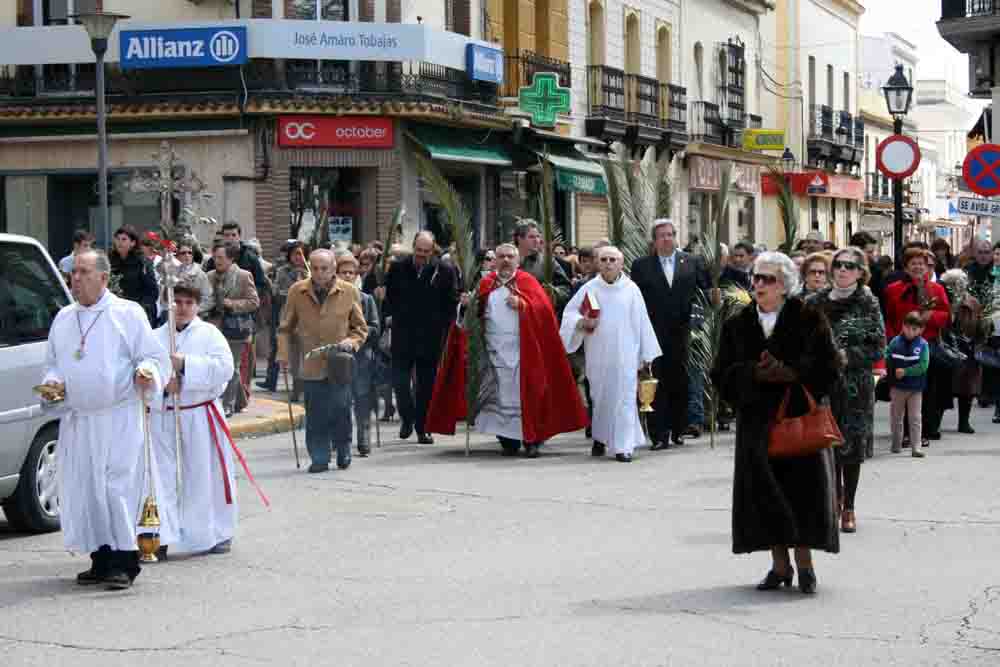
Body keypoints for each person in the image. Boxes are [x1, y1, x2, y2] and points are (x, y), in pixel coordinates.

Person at [712, 251, 841, 595]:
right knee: (765, 494)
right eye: (755, 277)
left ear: (784, 285)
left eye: (766, 279)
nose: (758, 284)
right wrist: (751, 373)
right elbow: (720, 374)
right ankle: (779, 566)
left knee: (803, 493)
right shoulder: (737, 324)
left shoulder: (810, 319)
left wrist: (792, 373)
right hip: (757, 422)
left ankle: (806, 565)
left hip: (799, 420)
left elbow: (830, 367)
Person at [41, 250, 170, 590]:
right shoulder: (64, 318)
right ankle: (100, 558)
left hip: (118, 417)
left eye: (84, 272)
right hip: (80, 419)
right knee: (87, 488)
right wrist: (54, 382)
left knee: (116, 487)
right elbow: (54, 362)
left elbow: (151, 357)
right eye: (73, 272)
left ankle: (125, 560)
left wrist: (147, 373)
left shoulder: (126, 314)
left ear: (103, 276)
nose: (76, 278)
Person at [426, 244, 588, 457]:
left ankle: (532, 440)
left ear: (517, 260)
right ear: (495, 260)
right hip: (493, 351)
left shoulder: (527, 282)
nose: (505, 260)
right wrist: (467, 305)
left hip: (524, 351)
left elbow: (544, 311)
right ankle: (508, 439)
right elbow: (470, 320)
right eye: (501, 256)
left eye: (510, 256)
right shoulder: (486, 283)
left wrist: (523, 304)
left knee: (528, 395)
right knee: (500, 398)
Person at [149, 285, 239, 558]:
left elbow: (225, 368)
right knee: (161, 476)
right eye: (177, 302)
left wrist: (186, 366)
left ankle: (210, 533)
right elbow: (143, 370)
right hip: (164, 415)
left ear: (198, 306)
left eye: (189, 302)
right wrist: (163, 386)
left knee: (203, 475)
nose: (183, 307)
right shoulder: (154, 337)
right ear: (168, 305)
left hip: (199, 414)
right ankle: (159, 536)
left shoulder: (210, 335)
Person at [807, 247, 884, 534]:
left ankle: (848, 505)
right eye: (838, 264)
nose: (841, 270)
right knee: (825, 446)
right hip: (823, 385)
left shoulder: (868, 302)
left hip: (855, 386)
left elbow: (878, 345)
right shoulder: (815, 301)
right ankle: (832, 500)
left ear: (861, 272)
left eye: (849, 266)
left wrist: (847, 356)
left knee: (851, 447)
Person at [560, 247, 661, 462]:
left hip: (626, 354)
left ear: (621, 264)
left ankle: (623, 447)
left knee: (624, 399)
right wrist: (582, 322)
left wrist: (646, 354)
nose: (608, 263)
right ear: (597, 263)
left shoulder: (631, 289)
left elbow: (642, 321)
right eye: (603, 259)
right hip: (598, 354)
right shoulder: (589, 288)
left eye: (612, 259)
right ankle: (600, 438)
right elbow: (569, 314)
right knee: (601, 398)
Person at [278, 249, 368, 473]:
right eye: (315, 268)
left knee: (341, 407)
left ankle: (343, 447)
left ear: (333, 268)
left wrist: (352, 341)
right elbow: (284, 328)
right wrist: (283, 355)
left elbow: (360, 328)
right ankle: (319, 456)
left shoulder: (348, 291)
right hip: (311, 362)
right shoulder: (297, 291)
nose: (319, 273)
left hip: (340, 362)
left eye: (324, 268)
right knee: (316, 411)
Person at [630, 219, 710, 449]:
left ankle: (678, 429)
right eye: (662, 235)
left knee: (680, 382)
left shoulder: (692, 261)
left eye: (670, 234)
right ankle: (658, 434)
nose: (667, 239)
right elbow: (636, 299)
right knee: (657, 382)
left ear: (676, 237)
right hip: (653, 332)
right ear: (654, 241)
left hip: (684, 332)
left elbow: (703, 293)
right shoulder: (641, 265)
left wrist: (710, 302)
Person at [379, 231, 457, 445]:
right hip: (402, 334)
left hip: (430, 337)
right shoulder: (397, 267)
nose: (422, 255)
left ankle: (423, 428)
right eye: (419, 251)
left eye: (426, 251)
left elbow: (450, 303)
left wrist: (446, 325)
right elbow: (389, 299)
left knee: (426, 386)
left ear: (433, 250)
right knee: (400, 382)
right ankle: (407, 417)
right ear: (413, 247)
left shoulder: (444, 270)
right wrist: (385, 310)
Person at [883, 248, 951, 446]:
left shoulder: (936, 289)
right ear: (906, 267)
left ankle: (923, 432)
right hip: (900, 345)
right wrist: (892, 340)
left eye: (922, 263)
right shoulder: (893, 289)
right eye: (913, 263)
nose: (918, 267)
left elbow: (947, 316)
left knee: (925, 390)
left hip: (926, 345)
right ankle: (904, 432)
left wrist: (932, 317)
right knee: (902, 388)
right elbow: (888, 317)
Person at [207, 242, 260, 417]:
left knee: (232, 366)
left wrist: (232, 304)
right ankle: (240, 399)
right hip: (214, 327)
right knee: (216, 364)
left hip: (236, 328)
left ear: (231, 259)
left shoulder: (244, 276)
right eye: (215, 257)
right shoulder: (209, 276)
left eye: (221, 258)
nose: (217, 261)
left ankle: (228, 404)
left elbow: (254, 302)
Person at [336, 253, 381, 457]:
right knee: (339, 400)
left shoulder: (366, 299)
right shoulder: (331, 300)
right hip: (338, 357)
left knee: (362, 398)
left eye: (351, 273)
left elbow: (375, 327)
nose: (347, 276)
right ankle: (340, 439)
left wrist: (357, 334)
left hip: (362, 356)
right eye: (343, 272)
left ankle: (363, 436)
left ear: (356, 275)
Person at [259, 241, 310, 393]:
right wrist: (291, 293)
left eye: (301, 254)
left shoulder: (311, 271)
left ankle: (303, 385)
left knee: (303, 351)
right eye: (295, 254)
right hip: (286, 313)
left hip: (306, 317)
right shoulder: (282, 271)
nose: (298, 257)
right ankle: (279, 381)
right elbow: (275, 291)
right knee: (282, 348)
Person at [939, 268, 985, 434]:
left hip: (968, 348)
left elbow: (980, 325)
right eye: (951, 284)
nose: (955, 287)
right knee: (943, 387)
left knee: (968, 388)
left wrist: (978, 343)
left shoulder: (972, 302)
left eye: (959, 284)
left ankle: (964, 422)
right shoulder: (940, 301)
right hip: (945, 348)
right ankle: (935, 421)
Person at [887, 311, 930, 458]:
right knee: (896, 416)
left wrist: (906, 371)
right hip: (897, 387)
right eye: (908, 328)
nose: (911, 332)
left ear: (921, 330)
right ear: (903, 326)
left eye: (915, 329)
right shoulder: (894, 342)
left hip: (915, 388)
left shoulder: (923, 345)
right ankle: (896, 444)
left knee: (915, 417)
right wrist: (891, 372)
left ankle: (916, 447)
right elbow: (887, 358)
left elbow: (923, 365)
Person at [512, 220, 573, 309]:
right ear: (519, 239)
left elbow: (566, 288)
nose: (537, 240)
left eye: (538, 236)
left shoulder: (547, 262)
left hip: (538, 314)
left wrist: (553, 292)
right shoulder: (508, 258)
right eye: (531, 237)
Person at [110, 225, 159, 325]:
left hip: (138, 311)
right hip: (115, 311)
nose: (119, 242)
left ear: (132, 243)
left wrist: (140, 309)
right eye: (117, 239)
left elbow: (152, 291)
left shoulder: (142, 262)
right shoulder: (109, 260)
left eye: (124, 239)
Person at [171, 241, 214, 316]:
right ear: (177, 255)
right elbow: (164, 296)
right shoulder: (171, 272)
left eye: (190, 253)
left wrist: (194, 310)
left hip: (194, 315)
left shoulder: (200, 274)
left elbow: (209, 299)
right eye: (183, 253)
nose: (187, 255)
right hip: (174, 313)